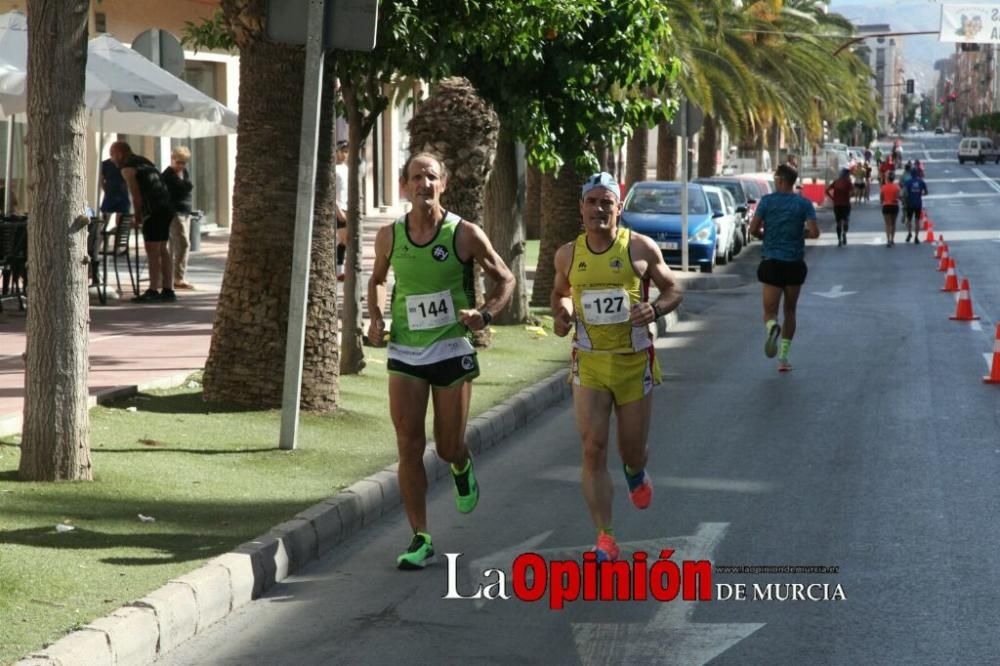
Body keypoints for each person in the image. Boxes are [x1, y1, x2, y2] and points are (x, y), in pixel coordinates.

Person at [367, 152, 514, 570]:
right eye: (416, 177)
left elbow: (505, 276)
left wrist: (483, 314)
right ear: (405, 186)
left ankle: (461, 464)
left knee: (447, 446)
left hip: (452, 349)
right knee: (409, 445)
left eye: (431, 177)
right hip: (407, 352)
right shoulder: (390, 236)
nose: (423, 184)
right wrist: (376, 316)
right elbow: (377, 281)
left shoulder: (463, 233)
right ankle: (420, 537)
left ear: (443, 184)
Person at [550, 172, 682, 562]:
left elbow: (673, 288)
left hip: (632, 363)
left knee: (631, 451)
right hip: (589, 364)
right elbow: (561, 295)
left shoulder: (640, 248)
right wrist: (562, 314)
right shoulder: (568, 254)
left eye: (606, 202)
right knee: (592, 448)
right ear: (581, 208)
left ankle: (635, 471)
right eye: (591, 202)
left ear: (618, 208)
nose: (599, 209)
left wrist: (654, 308)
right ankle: (604, 536)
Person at [748, 163, 820, 372]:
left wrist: (765, 236)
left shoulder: (767, 202)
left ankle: (772, 327)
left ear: (779, 180)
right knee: (790, 310)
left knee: (769, 312)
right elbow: (815, 232)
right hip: (794, 263)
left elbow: (753, 229)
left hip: (771, 262)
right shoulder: (804, 203)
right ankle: (783, 358)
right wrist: (799, 234)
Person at [110, 141, 176, 302]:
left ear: (119, 154)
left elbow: (136, 194)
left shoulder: (127, 168)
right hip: (167, 206)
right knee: (162, 249)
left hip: (153, 210)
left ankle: (153, 290)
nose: (111, 159)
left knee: (152, 250)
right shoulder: (144, 161)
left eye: (112, 155)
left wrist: (138, 216)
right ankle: (168, 289)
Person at [161, 146, 196, 290]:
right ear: (172, 159)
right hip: (175, 213)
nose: (181, 165)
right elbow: (183, 189)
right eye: (179, 162)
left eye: (184, 162)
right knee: (183, 243)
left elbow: (187, 187)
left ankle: (173, 276)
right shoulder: (168, 175)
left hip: (185, 212)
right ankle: (177, 277)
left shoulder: (184, 173)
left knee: (177, 244)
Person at [825, 167, 853, 247]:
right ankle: (844, 233)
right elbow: (852, 192)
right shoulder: (848, 182)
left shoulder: (836, 182)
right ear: (846, 175)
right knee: (846, 220)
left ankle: (839, 240)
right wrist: (848, 197)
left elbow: (826, 190)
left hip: (836, 204)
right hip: (846, 204)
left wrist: (832, 198)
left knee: (838, 222)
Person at [334, 140, 349, 281]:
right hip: (340, 208)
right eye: (342, 151)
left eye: (346, 151)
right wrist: (338, 210)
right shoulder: (334, 170)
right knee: (344, 239)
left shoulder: (346, 169)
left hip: (348, 207)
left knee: (346, 240)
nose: (345, 154)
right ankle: (339, 271)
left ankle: (340, 269)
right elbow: (331, 192)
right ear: (336, 152)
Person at [100, 157, 130, 223]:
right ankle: (102, 232)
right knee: (105, 220)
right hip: (111, 195)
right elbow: (101, 179)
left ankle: (106, 231)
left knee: (120, 222)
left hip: (121, 195)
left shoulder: (126, 163)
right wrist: (106, 190)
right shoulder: (105, 164)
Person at [903, 164, 928, 244]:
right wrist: (920, 194)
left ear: (911, 174)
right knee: (917, 221)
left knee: (908, 220)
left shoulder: (908, 182)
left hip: (910, 203)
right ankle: (916, 237)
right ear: (917, 174)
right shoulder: (921, 182)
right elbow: (926, 192)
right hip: (918, 203)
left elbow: (905, 193)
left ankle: (909, 233)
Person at [880, 170, 901, 247]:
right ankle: (892, 239)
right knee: (893, 223)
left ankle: (888, 240)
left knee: (887, 224)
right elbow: (898, 197)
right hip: (894, 206)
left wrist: (883, 201)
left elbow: (881, 198)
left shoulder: (883, 187)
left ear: (887, 179)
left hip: (886, 206)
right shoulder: (897, 187)